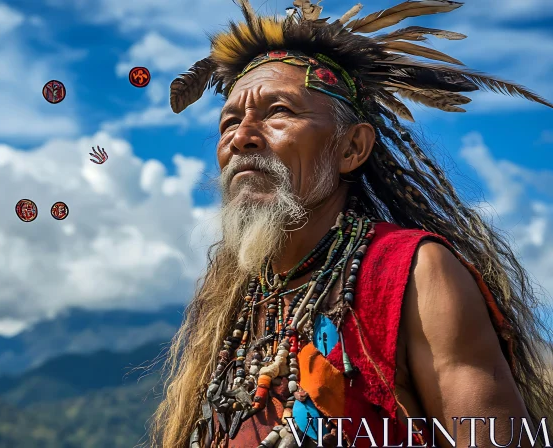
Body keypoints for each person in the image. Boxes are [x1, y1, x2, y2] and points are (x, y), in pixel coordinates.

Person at [150, 1, 553, 447]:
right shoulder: (232, 296)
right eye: (229, 121)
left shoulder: (416, 273)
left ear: (351, 148)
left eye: (278, 110)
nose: (241, 136)